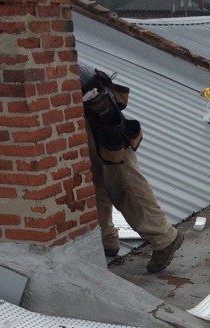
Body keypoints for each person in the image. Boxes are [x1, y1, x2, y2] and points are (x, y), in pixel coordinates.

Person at [78, 62, 183, 273]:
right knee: (92, 179)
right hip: (83, 106)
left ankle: (164, 237)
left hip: (95, 107)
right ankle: (106, 239)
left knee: (122, 180)